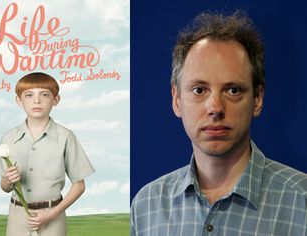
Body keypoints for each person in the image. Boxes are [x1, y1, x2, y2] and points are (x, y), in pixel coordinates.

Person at [131, 11, 307, 235]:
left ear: (257, 99)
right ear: (177, 100)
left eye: (233, 90)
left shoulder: (302, 201)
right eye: (199, 90)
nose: (215, 108)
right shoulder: (146, 206)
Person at [0, 72, 95, 236]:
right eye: (29, 95)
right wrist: (8, 180)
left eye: (44, 95)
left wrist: (52, 214)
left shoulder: (66, 137)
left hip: (53, 219)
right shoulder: (8, 137)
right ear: (19, 100)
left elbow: (79, 185)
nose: (36, 101)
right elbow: (4, 187)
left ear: (55, 100)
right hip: (17, 219)